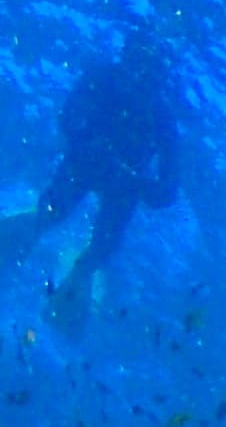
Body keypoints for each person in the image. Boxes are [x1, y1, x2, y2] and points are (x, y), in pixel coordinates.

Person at [0, 34, 181, 311]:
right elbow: (69, 117)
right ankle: (32, 252)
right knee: (53, 215)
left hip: (120, 179)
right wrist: (88, 144)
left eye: (149, 70)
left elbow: (168, 188)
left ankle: (72, 279)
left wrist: (144, 185)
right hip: (89, 163)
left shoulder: (161, 113)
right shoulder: (107, 79)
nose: (139, 77)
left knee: (98, 247)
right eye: (137, 63)